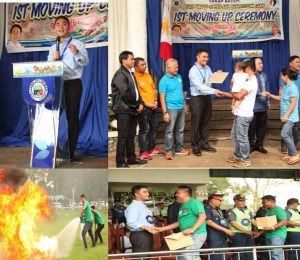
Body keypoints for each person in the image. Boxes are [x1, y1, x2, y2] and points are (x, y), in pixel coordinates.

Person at [48, 16, 89, 161]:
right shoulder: (53, 47)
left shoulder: (78, 43)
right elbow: (47, 67)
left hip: (72, 83)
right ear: (55, 28)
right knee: (52, 117)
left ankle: (70, 151)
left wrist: (76, 52)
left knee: (72, 117)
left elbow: (85, 62)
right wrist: (53, 59)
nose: (60, 27)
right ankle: (50, 149)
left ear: (69, 27)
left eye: (64, 24)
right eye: (57, 25)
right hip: (56, 83)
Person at [111, 51, 147, 167]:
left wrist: (140, 102)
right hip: (123, 109)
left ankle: (131, 158)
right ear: (124, 60)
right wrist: (137, 105)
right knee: (123, 137)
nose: (133, 61)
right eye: (131, 59)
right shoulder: (120, 74)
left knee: (131, 135)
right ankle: (120, 162)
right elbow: (125, 93)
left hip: (131, 109)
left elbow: (136, 92)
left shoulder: (130, 73)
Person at [188, 49, 223, 156]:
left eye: (207, 57)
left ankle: (204, 144)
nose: (206, 59)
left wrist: (217, 75)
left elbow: (210, 81)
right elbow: (200, 86)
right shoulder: (193, 70)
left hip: (206, 98)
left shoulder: (207, 68)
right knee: (196, 124)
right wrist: (214, 91)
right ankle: (195, 146)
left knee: (206, 122)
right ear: (197, 57)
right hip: (197, 99)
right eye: (204, 57)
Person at [156, 185, 207, 260]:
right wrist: (161, 229)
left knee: (189, 255)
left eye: (178, 193)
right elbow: (179, 223)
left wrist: (192, 229)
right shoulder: (183, 206)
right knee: (181, 256)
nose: (176, 194)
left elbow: (202, 216)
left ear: (186, 193)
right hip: (185, 234)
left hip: (197, 233)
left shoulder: (194, 202)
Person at [265, 68, 300, 165]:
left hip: (290, 117)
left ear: (286, 76)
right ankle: (290, 153)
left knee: (284, 134)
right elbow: (280, 98)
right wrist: (269, 95)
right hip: (285, 116)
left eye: (282, 75)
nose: (281, 77)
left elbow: (293, 104)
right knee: (289, 135)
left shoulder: (293, 87)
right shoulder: (285, 86)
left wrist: (286, 115)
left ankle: (295, 154)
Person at [227, 59, 258, 167]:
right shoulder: (249, 80)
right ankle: (238, 156)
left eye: (244, 69)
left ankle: (246, 159)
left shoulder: (251, 83)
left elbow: (238, 96)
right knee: (234, 135)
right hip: (239, 112)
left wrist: (229, 91)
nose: (243, 71)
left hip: (244, 115)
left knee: (242, 137)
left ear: (248, 69)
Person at [159, 58, 190, 160]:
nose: (177, 69)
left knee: (180, 130)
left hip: (181, 107)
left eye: (177, 67)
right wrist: (165, 112)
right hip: (171, 109)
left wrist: (184, 104)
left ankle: (179, 149)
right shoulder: (163, 80)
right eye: (175, 67)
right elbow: (162, 97)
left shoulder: (179, 77)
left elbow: (181, 91)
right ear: (168, 68)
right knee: (170, 131)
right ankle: (168, 151)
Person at [134, 57, 164, 160]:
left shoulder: (147, 75)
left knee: (154, 128)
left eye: (145, 64)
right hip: (144, 108)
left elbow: (153, 89)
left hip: (153, 106)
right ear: (136, 66)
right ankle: (143, 152)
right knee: (144, 130)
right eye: (142, 65)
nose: (145, 66)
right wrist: (147, 104)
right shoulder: (134, 77)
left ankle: (151, 149)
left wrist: (155, 101)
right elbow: (136, 95)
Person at [125, 185, 157, 252]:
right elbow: (131, 222)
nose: (147, 193)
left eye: (147, 192)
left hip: (146, 233)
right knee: (142, 257)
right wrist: (146, 227)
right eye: (144, 192)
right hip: (140, 234)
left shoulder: (142, 205)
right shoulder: (134, 206)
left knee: (147, 256)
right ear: (136, 194)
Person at [248, 57, 270, 154]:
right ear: (253, 65)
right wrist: (260, 94)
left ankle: (259, 145)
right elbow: (249, 91)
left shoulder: (264, 75)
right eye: (259, 63)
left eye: (262, 63)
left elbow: (267, 89)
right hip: (252, 107)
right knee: (251, 128)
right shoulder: (249, 76)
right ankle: (251, 146)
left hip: (263, 106)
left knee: (262, 127)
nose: (262, 65)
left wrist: (268, 102)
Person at [278, 56, 300, 153]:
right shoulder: (285, 75)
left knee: (295, 127)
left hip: (295, 105)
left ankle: (293, 148)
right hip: (289, 106)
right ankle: (285, 146)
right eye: (297, 62)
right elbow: (281, 92)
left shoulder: (293, 83)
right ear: (290, 63)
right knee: (286, 128)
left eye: (299, 62)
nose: (299, 63)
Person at [228, 194, 257, 260]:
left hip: (248, 234)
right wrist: (246, 231)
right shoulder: (231, 211)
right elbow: (233, 223)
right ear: (235, 201)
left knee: (249, 253)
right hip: (238, 234)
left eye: (244, 200)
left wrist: (262, 227)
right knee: (239, 253)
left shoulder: (247, 210)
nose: (243, 202)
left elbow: (253, 221)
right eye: (241, 201)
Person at [205, 194, 234, 260]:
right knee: (215, 256)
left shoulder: (218, 209)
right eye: (219, 200)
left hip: (222, 236)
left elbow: (222, 221)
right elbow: (209, 222)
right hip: (214, 237)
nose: (220, 202)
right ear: (213, 200)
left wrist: (227, 229)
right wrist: (225, 230)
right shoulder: (207, 208)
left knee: (223, 256)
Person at [261, 195, 287, 260]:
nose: (263, 204)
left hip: (277, 235)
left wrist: (272, 228)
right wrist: (259, 233)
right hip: (268, 236)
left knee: (276, 254)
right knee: (271, 255)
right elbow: (267, 226)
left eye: (265, 202)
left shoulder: (278, 210)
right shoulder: (267, 212)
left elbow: (284, 221)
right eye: (263, 202)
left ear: (272, 201)